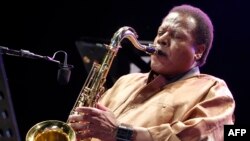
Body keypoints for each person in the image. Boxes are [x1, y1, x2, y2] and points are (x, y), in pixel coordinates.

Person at [68, 4, 235, 141]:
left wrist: (119, 132)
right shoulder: (125, 81)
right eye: (160, 32)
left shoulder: (213, 90)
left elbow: (198, 137)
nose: (161, 39)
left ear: (198, 51)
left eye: (176, 36)